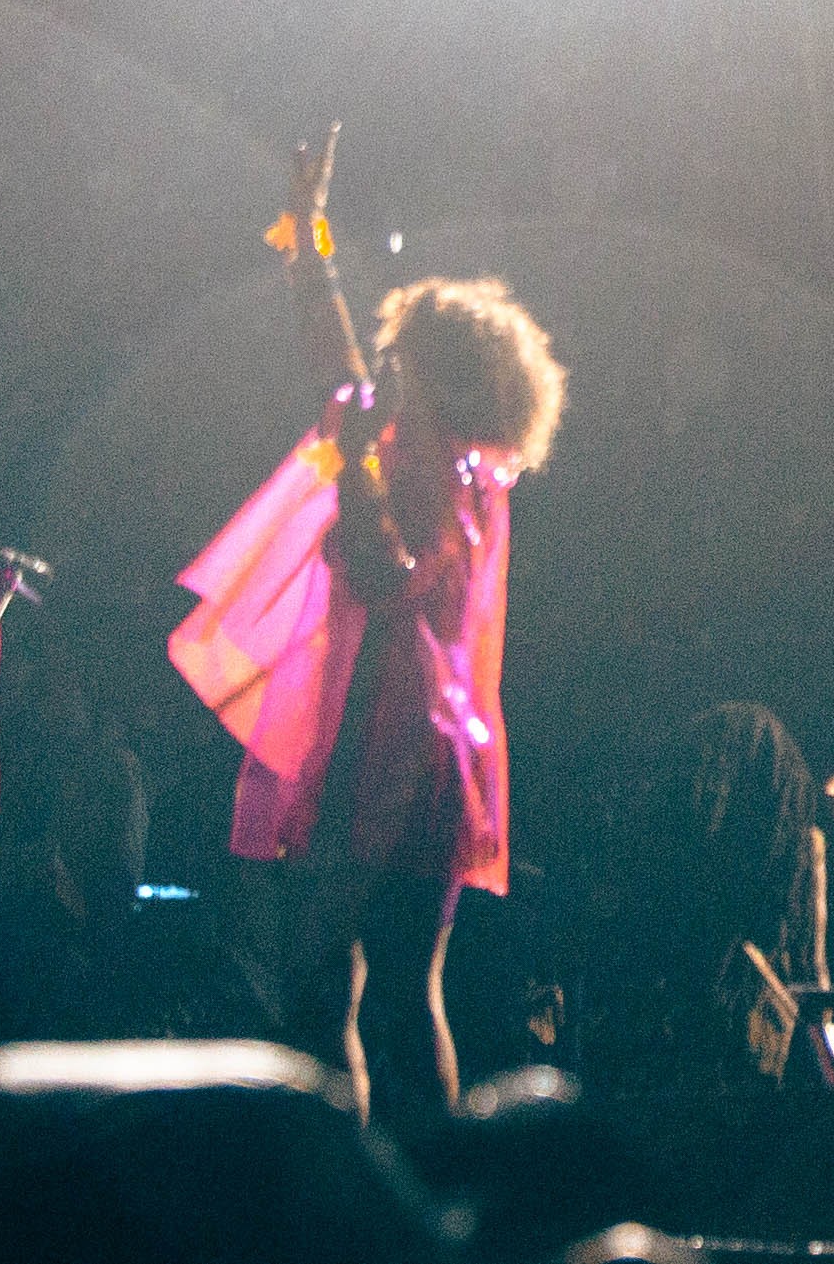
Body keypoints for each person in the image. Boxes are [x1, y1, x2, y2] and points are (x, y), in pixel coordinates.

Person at [169, 209, 568, 1124]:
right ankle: (424, 1191)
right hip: (437, 759)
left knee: (331, 987)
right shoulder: (457, 465)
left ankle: (351, 1196)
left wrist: (352, 467)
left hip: (390, 754)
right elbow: (340, 371)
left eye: (402, 358)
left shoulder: (423, 465)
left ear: (434, 372)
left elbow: (385, 570)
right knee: (398, 986)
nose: (385, 369)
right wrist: (310, 255)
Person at [583, 702, 832, 1105]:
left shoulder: (685, 856)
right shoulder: (794, 848)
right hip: (750, 1065)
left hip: (670, 1052)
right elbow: (811, 966)